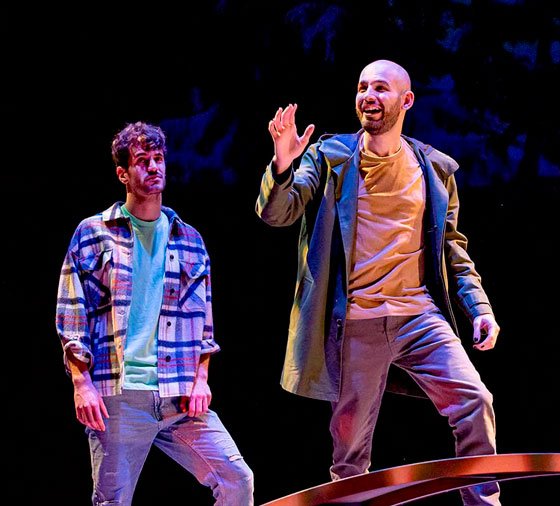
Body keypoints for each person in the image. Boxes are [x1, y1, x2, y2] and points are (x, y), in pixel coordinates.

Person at [256, 59, 501, 505]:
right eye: (362, 87)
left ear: (406, 100)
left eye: (381, 88)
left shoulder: (433, 169)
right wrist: (283, 163)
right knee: (349, 452)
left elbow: (453, 248)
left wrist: (479, 308)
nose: (368, 95)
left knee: (474, 401)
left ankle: (482, 503)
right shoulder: (329, 156)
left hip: (419, 318)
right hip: (355, 324)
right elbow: (278, 213)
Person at [56, 122, 254, 505]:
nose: (153, 167)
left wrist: (201, 379)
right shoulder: (94, 233)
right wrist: (82, 383)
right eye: (142, 160)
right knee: (113, 501)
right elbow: (71, 312)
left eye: (158, 158)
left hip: (178, 394)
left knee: (237, 480)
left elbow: (204, 323)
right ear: (123, 173)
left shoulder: (189, 239)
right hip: (121, 396)